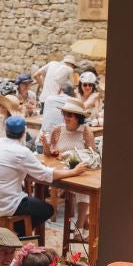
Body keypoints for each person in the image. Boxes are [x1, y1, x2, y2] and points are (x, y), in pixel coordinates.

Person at [0, 115, 87, 234]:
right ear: (24, 132)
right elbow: (46, 175)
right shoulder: (22, 152)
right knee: (47, 209)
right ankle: (19, 233)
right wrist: (73, 171)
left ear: (6, 130)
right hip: (6, 204)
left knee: (31, 202)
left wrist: (33, 164)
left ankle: (14, 230)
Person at [41, 97, 97, 231]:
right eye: (64, 113)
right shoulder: (58, 130)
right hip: (62, 171)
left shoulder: (85, 131)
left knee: (83, 189)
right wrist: (46, 146)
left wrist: (74, 158)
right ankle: (81, 225)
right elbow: (49, 154)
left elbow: (93, 155)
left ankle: (79, 224)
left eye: (69, 115)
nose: (66, 117)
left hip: (80, 169)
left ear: (78, 117)